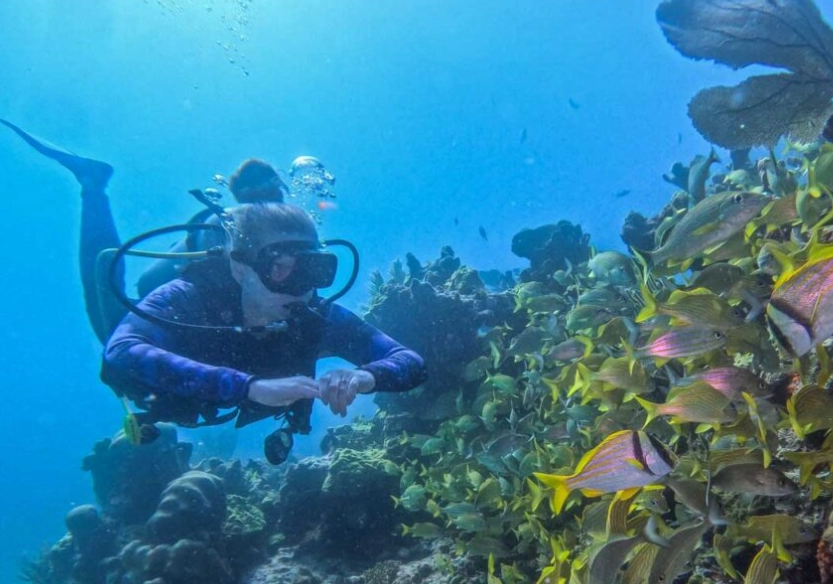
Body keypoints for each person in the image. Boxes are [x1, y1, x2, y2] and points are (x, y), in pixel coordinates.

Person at [101, 202, 427, 462]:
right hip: (156, 375)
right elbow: (121, 350)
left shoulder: (315, 314)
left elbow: (409, 361)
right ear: (240, 268)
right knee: (104, 307)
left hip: (213, 386)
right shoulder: (191, 295)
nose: (302, 290)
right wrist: (249, 388)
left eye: (314, 270)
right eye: (281, 269)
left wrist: (365, 377)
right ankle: (94, 191)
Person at [0, 118, 286, 343]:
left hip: (196, 317)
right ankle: (93, 186)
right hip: (177, 312)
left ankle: (93, 186)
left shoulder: (275, 238)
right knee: (114, 329)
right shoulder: (223, 230)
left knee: (109, 305)